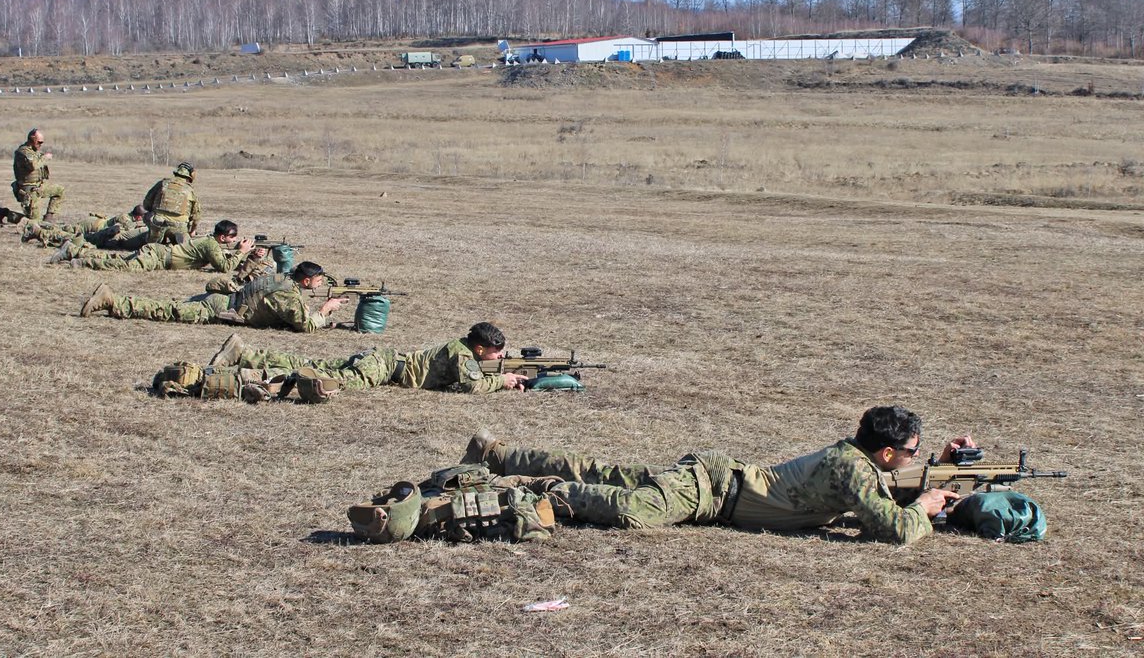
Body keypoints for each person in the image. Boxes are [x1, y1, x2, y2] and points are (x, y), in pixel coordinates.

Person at [458, 406, 975, 545]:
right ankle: (541, 490)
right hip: (711, 492)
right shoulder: (853, 470)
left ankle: (501, 454)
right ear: (886, 452)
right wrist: (925, 508)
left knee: (606, 471)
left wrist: (940, 466)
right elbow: (893, 527)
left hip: (715, 478)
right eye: (912, 451)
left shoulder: (857, 461)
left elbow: (884, 490)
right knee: (632, 510)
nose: (915, 456)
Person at [208, 321, 530, 394]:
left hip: (384, 359)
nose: (500, 356)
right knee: (328, 380)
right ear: (479, 350)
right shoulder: (462, 356)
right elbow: (471, 387)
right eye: (496, 352)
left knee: (316, 364)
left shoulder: (462, 347)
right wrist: (503, 379)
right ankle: (254, 376)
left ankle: (245, 354)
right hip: (386, 367)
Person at [77, 259, 345, 332]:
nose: (322, 283)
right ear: (307, 281)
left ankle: (117, 303)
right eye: (319, 280)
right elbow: (305, 325)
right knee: (168, 311)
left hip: (222, 301)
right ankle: (112, 300)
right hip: (218, 308)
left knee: (170, 307)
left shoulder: (283, 279)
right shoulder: (289, 294)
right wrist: (325, 310)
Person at [54, 219, 254, 272]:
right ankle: (81, 262)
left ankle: (73, 251)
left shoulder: (211, 242)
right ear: (222, 237)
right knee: (124, 265)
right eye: (232, 237)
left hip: (158, 252)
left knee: (118, 258)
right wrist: (241, 253)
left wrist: (238, 252)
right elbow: (224, 267)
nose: (235, 239)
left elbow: (219, 256)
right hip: (159, 257)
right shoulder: (211, 245)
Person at [0, 128, 64, 224]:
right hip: (28, 191)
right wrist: (45, 158)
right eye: (39, 142)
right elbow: (33, 165)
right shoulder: (23, 152)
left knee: (59, 190)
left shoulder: (34, 151)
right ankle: (5, 213)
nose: (41, 145)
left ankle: (49, 218)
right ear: (32, 139)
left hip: (38, 187)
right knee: (34, 222)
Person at [20, 205, 147, 249]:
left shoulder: (129, 217)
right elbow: (121, 228)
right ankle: (35, 224)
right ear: (138, 217)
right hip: (92, 226)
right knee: (66, 229)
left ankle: (37, 226)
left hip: (95, 224)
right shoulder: (125, 218)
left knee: (65, 228)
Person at [142, 162, 200, 244]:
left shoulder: (162, 184)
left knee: (152, 236)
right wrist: (192, 230)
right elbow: (196, 216)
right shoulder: (190, 190)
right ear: (191, 175)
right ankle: (178, 242)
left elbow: (146, 203)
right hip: (179, 226)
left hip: (158, 222)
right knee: (183, 247)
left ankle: (155, 238)